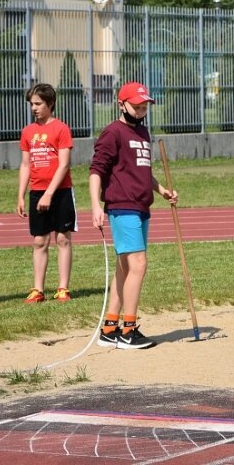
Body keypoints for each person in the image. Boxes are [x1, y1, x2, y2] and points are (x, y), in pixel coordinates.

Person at [89, 81, 178, 350]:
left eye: (144, 107)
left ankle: (109, 328)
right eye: (136, 106)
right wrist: (95, 206)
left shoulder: (142, 132)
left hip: (142, 207)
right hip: (121, 206)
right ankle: (128, 330)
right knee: (138, 264)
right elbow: (96, 171)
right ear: (121, 104)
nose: (141, 111)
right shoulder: (112, 133)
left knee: (125, 268)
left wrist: (161, 189)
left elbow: (142, 170)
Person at [17, 83, 76, 304]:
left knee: (63, 238)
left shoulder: (61, 129)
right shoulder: (27, 132)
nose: (34, 108)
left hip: (59, 192)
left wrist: (49, 193)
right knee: (39, 241)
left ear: (50, 103)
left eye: (39, 104)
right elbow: (25, 165)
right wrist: (21, 195)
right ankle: (38, 290)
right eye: (32, 104)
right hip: (37, 192)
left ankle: (63, 288)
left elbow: (63, 165)